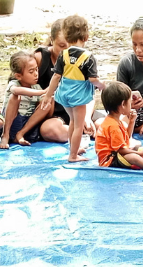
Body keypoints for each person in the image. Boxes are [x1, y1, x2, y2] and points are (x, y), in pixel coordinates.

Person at [40, 14, 104, 163]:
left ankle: (73, 149)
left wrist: (49, 95)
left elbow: (56, 77)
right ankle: (73, 155)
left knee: (73, 122)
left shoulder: (63, 54)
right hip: (78, 96)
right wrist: (103, 86)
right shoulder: (88, 57)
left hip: (64, 95)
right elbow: (93, 79)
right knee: (78, 125)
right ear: (86, 36)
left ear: (66, 37)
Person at [33, 19, 78, 144]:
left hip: (79, 111)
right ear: (52, 41)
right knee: (49, 130)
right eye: (62, 46)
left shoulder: (81, 58)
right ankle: (78, 134)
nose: (67, 52)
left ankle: (79, 131)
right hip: (53, 116)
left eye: (71, 47)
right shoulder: (39, 59)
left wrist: (86, 119)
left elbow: (89, 95)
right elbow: (16, 86)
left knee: (106, 124)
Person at [0, 51, 51, 149]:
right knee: (15, 96)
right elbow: (16, 91)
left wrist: (47, 97)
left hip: (28, 126)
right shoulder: (14, 84)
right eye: (31, 72)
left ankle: (20, 134)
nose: (36, 74)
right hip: (13, 122)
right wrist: (41, 93)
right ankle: (5, 136)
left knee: (47, 103)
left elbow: (44, 107)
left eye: (36, 70)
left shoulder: (37, 87)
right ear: (18, 76)